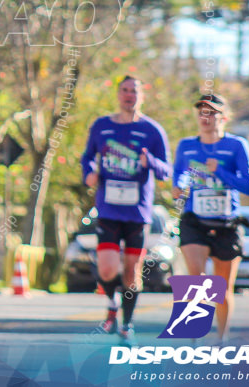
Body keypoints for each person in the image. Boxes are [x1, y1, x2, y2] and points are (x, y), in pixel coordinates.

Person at [80, 75, 170, 346]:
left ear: (142, 96)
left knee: (132, 272)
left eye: (134, 91)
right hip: (108, 209)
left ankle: (127, 322)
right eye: (125, 90)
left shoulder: (152, 131)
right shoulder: (102, 126)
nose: (129, 95)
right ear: (118, 94)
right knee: (107, 270)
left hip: (137, 214)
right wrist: (90, 173)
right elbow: (87, 157)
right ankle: (111, 304)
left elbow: (167, 171)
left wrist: (150, 161)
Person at [172, 93, 249, 345]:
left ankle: (222, 340)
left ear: (224, 118)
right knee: (195, 281)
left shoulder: (237, 145)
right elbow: (180, 175)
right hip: (194, 220)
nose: (205, 117)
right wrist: (178, 187)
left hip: (226, 223)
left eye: (211, 112)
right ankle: (193, 339)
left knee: (221, 290)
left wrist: (218, 170)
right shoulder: (186, 145)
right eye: (201, 112)